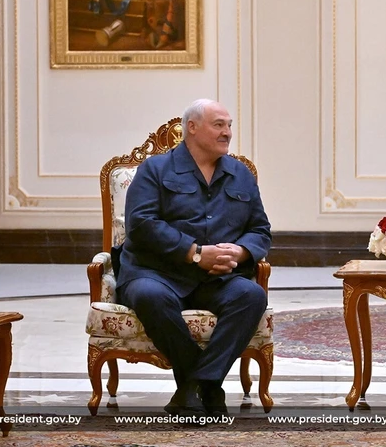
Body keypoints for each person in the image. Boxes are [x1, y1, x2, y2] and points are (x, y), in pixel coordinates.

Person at [115, 98, 271, 418]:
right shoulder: (155, 169)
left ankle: (196, 386)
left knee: (251, 296)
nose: (227, 132)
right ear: (192, 128)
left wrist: (240, 251)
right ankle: (206, 387)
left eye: (229, 126)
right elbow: (141, 225)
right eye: (219, 125)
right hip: (156, 273)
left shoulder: (240, 174)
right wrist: (195, 253)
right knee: (150, 296)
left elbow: (260, 230)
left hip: (218, 277)